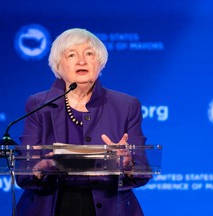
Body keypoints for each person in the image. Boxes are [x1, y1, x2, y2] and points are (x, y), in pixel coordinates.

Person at [16, 28, 151, 216]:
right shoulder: (39, 105)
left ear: (100, 63)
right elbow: (23, 173)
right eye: (71, 55)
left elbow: (143, 170)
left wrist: (127, 164)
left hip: (111, 208)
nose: (82, 61)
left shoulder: (126, 105)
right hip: (50, 205)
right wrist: (40, 167)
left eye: (89, 54)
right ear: (58, 66)